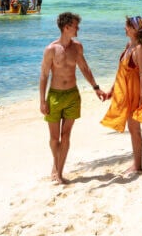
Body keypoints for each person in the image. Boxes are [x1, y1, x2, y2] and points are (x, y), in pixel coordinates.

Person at [40, 11, 106, 183]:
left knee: (66, 135)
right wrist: (42, 101)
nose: (78, 29)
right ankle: (56, 164)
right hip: (54, 96)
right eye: (76, 26)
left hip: (72, 95)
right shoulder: (51, 49)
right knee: (55, 139)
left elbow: (84, 68)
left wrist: (96, 88)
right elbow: (44, 76)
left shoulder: (77, 47)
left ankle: (59, 173)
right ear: (66, 27)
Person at [101, 15, 142, 173]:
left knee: (135, 129)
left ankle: (137, 165)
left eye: (127, 26)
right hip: (126, 89)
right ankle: (136, 163)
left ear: (135, 30)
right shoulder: (129, 45)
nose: (125, 28)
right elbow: (121, 72)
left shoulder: (139, 49)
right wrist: (112, 90)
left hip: (135, 91)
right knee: (132, 127)